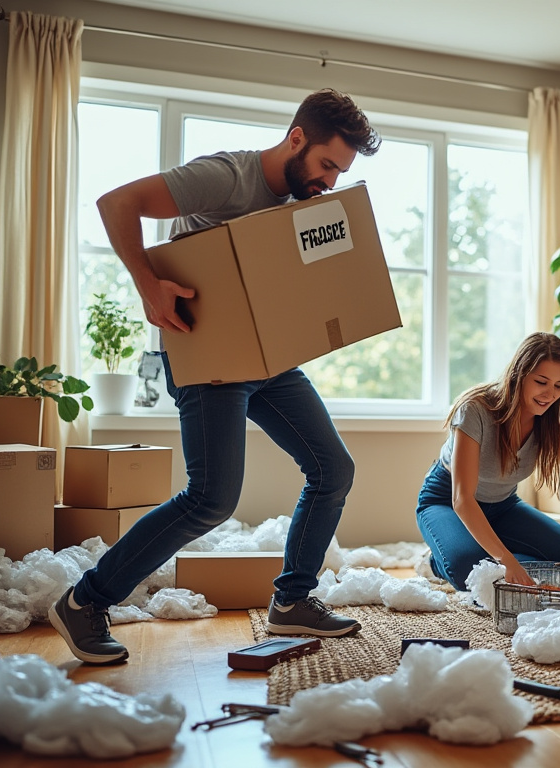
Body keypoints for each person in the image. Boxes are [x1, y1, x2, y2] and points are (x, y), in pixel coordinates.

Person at [50, 89, 381, 664]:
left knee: (333, 469)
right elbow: (116, 202)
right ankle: (85, 600)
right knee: (211, 498)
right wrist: (147, 285)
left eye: (340, 173)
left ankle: (292, 600)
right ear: (296, 139)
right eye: (327, 165)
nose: (329, 182)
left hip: (267, 359)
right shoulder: (226, 178)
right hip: (208, 359)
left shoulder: (302, 202)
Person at [416, 332, 560, 590]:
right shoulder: (474, 410)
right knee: (471, 570)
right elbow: (462, 499)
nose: (550, 394)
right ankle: (435, 562)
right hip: (446, 502)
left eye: (559, 386)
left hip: (503, 506)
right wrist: (507, 560)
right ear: (519, 374)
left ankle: (492, 554)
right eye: (541, 382)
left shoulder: (555, 425)